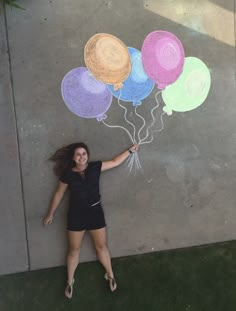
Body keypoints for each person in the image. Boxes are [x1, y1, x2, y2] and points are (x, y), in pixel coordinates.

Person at [43, 142, 139, 299]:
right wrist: (50, 213)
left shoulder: (95, 167)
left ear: (88, 155)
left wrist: (129, 151)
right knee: (74, 250)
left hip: (95, 213)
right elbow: (59, 194)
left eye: (84, 153)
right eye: (78, 154)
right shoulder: (68, 174)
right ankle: (69, 281)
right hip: (76, 215)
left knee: (101, 246)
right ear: (73, 158)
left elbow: (115, 162)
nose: (82, 156)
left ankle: (110, 275)